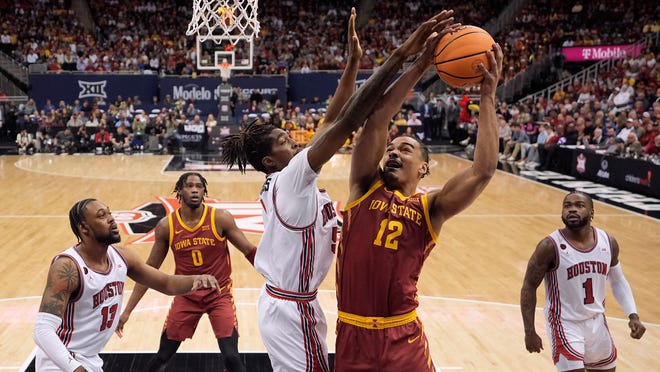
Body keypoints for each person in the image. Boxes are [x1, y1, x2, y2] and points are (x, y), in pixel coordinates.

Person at [220, 8, 457, 371]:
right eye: (285, 140)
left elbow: (330, 119)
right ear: (269, 160)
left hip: (294, 302)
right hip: (290, 308)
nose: (295, 143)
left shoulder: (287, 179)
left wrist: (352, 65)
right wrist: (402, 56)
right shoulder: (292, 177)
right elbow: (347, 120)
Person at [334, 26, 502, 372]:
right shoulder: (364, 187)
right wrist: (423, 62)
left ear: (424, 168)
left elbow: (481, 170)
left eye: (405, 149)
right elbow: (377, 119)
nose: (393, 152)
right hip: (352, 336)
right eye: (391, 148)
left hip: (403, 339)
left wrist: (487, 97)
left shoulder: (430, 209)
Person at [33, 199, 220, 372]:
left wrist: (197, 279)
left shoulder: (121, 256)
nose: (112, 220)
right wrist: (75, 368)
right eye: (102, 216)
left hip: (89, 360)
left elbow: (167, 283)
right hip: (60, 362)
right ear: (84, 228)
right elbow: (42, 330)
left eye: (109, 213)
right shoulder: (68, 267)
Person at [116, 172, 257, 372]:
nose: (194, 190)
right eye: (189, 186)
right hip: (186, 296)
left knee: (232, 358)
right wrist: (127, 311)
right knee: (162, 356)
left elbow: (248, 250)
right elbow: (148, 271)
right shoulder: (166, 226)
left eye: (199, 186)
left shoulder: (220, 218)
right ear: (180, 191)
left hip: (219, 295)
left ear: (204, 191)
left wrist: (274, 273)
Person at [520, 191, 646, 371]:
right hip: (564, 323)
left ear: (592, 212)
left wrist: (633, 315)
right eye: (567, 205)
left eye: (579, 205)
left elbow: (617, 280)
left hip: (597, 321)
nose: (572, 209)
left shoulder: (608, 242)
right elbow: (528, 287)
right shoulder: (549, 246)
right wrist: (529, 331)